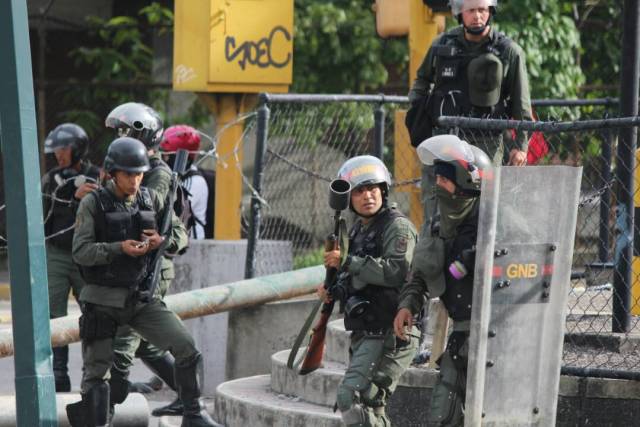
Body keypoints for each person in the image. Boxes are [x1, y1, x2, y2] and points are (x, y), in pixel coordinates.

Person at [66, 137, 220, 427]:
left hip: (139, 299)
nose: (135, 180)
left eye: (139, 173)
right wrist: (117, 248)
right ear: (112, 173)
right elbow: (81, 252)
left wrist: (161, 242)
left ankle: (192, 415)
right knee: (98, 377)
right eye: (128, 174)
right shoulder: (93, 203)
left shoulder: (149, 199)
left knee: (187, 348)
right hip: (102, 301)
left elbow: (180, 235)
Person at [393, 134, 491, 427]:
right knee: (443, 415)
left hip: (497, 335)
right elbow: (421, 273)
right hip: (461, 336)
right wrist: (408, 305)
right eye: (437, 178)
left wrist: (479, 257)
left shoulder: (495, 219)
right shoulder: (436, 224)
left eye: (446, 180)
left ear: (466, 183)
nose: (439, 185)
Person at [405, 0, 532, 224]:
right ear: (459, 13)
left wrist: (520, 147)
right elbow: (421, 81)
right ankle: (438, 257)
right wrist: (418, 111)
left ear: (490, 12)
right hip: (445, 139)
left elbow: (521, 105)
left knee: (485, 209)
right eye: (471, 10)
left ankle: (477, 257)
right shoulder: (441, 44)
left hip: (487, 141)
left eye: (482, 10)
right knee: (436, 208)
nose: (477, 16)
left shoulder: (508, 51)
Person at [318, 155, 419, 426]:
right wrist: (334, 289)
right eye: (360, 191)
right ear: (350, 199)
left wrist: (347, 261)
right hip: (367, 330)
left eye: (373, 188)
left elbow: (397, 271)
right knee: (371, 406)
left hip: (390, 330)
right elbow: (357, 279)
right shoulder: (360, 229)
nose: (367, 196)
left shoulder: (397, 227)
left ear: (383, 190)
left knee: (350, 395)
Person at [104, 101, 186, 416]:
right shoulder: (128, 169)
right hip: (134, 263)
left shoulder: (157, 174)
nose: (119, 138)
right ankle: (188, 397)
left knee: (123, 341)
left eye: (125, 132)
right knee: (144, 343)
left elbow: (143, 213)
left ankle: (106, 410)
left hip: (152, 266)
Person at [42, 123, 100, 392]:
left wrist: (84, 198)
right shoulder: (51, 179)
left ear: (77, 149)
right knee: (55, 315)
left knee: (92, 311)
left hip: (84, 254)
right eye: (56, 150)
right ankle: (58, 374)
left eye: (63, 149)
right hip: (56, 254)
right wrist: (67, 197)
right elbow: (42, 216)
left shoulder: (95, 177)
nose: (58, 155)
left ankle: (93, 373)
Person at [160, 125, 209, 240]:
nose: (164, 159)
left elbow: (174, 209)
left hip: (191, 244)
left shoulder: (195, 181)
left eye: (168, 156)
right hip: (177, 240)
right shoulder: (178, 176)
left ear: (183, 157)